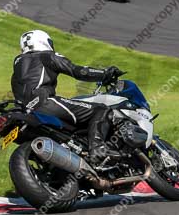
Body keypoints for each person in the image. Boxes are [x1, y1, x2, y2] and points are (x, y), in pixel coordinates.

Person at [11, 29, 121, 164]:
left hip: (24, 112)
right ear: (43, 41)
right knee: (102, 110)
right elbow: (80, 71)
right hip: (45, 103)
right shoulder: (47, 56)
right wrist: (105, 73)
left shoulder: (18, 63)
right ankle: (97, 148)